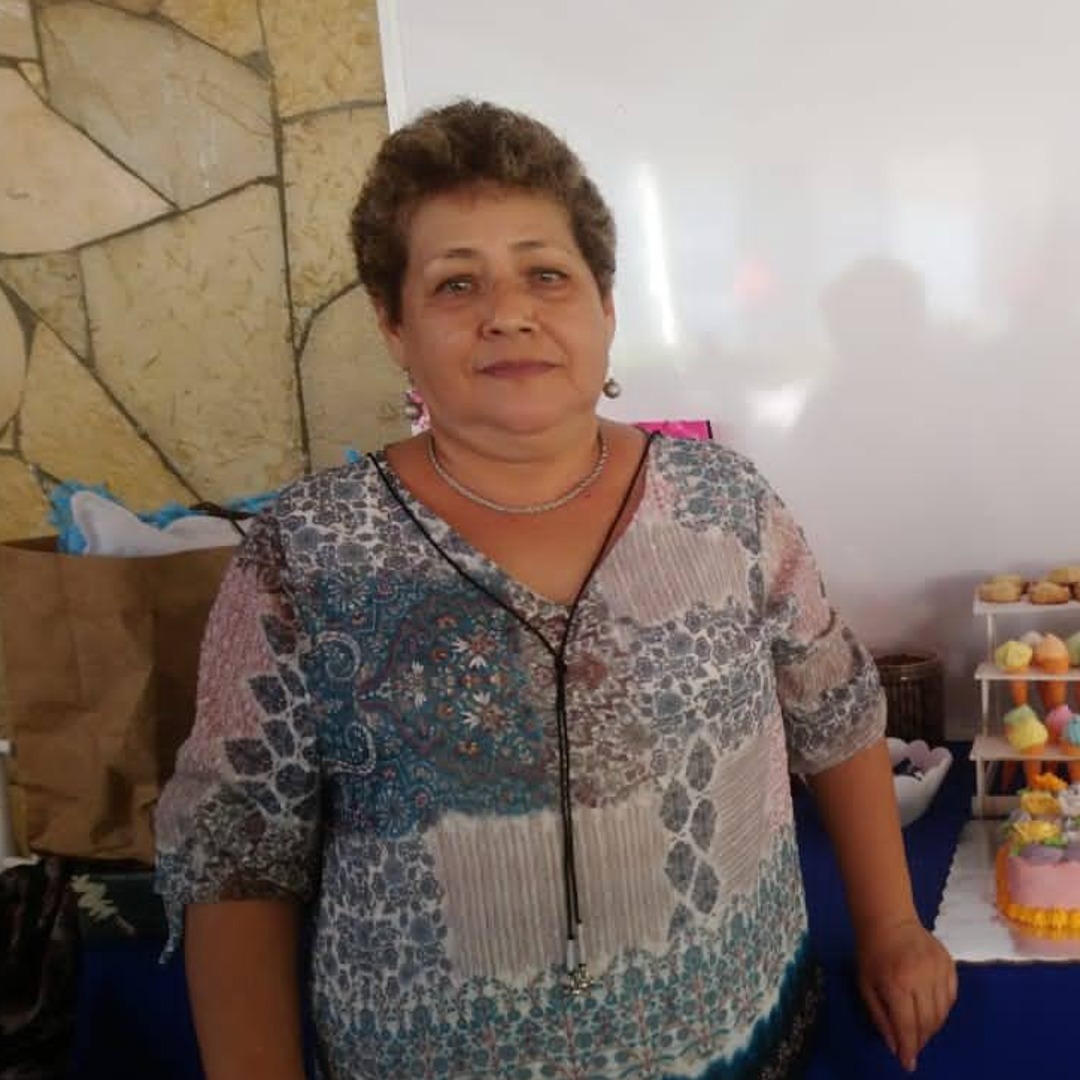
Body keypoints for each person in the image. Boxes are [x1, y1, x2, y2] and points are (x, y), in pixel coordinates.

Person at [155, 99, 957, 1080]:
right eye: (457, 283)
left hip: (742, 1045)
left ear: (604, 306)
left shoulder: (726, 504)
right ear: (394, 325)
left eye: (546, 273)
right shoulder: (306, 553)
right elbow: (238, 859)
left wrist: (891, 927)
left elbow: (835, 711)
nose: (509, 312)